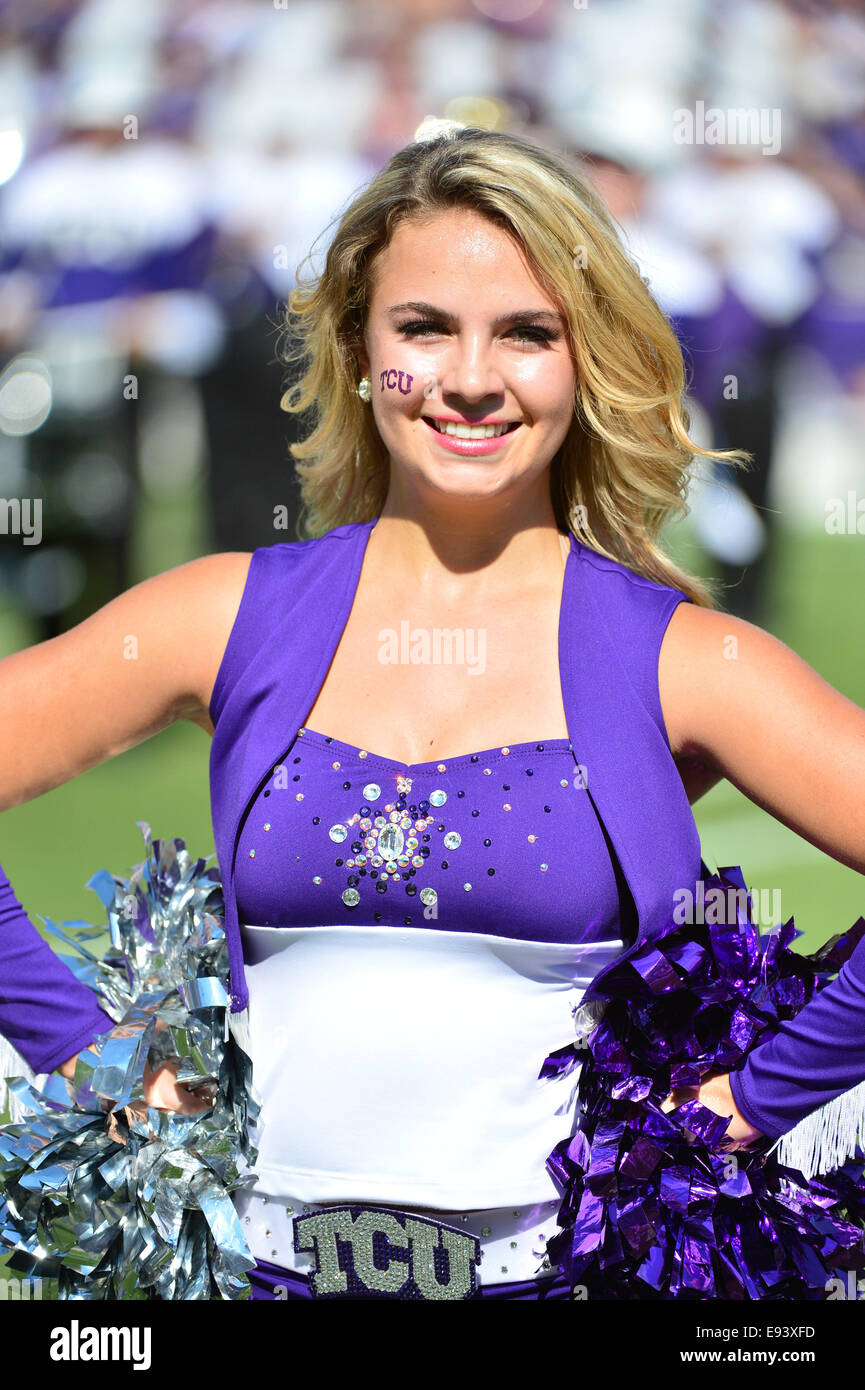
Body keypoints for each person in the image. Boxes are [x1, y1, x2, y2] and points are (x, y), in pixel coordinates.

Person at [1, 118, 865, 1302]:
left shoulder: (681, 660)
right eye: (422, 328)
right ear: (361, 349)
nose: (469, 377)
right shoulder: (227, 617)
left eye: (524, 332)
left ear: (585, 356)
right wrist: (81, 1055)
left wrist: (756, 1098)